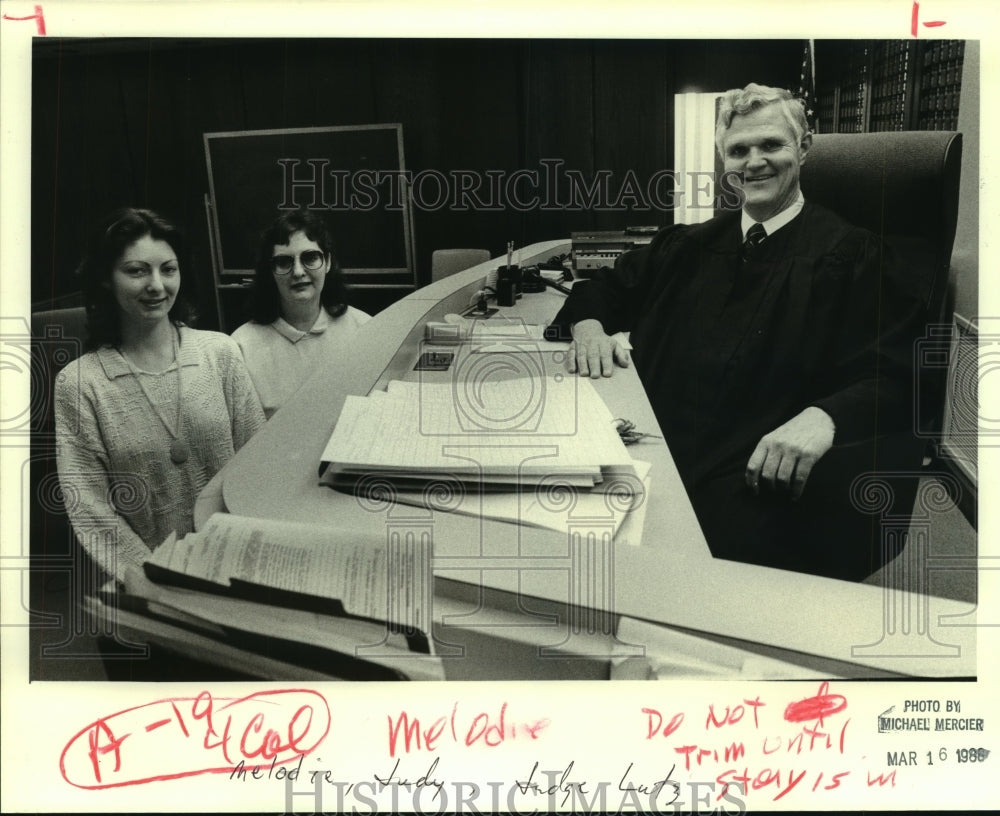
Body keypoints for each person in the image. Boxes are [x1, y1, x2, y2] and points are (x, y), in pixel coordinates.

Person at [549, 83, 924, 581]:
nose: (754, 162)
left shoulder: (855, 256)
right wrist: (591, 328)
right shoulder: (686, 245)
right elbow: (605, 288)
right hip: (653, 453)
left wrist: (825, 416)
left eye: (771, 145)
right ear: (724, 160)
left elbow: (899, 374)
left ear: (804, 147)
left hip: (754, 477)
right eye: (739, 150)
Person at [55, 208, 266, 585]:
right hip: (149, 582)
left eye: (168, 269)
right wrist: (151, 575)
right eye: (137, 271)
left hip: (240, 567)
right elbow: (90, 506)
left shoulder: (221, 353)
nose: (156, 285)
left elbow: (258, 466)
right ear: (106, 279)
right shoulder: (80, 382)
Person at [232, 209, 371, 418]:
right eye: (284, 262)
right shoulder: (241, 347)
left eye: (310, 257)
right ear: (271, 271)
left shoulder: (365, 329)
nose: (298, 271)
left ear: (328, 263)